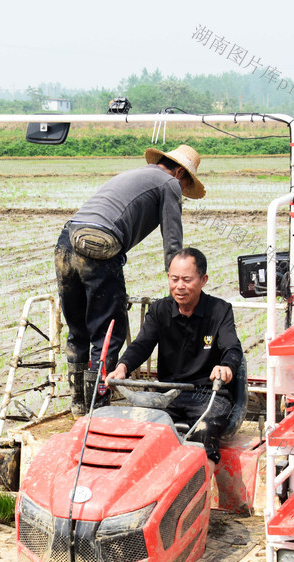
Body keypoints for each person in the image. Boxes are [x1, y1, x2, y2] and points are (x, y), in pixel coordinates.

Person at [55, 144, 206, 415]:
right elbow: (173, 240)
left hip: (66, 242)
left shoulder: (137, 174)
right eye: (185, 186)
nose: (181, 192)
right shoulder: (169, 184)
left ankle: (79, 405)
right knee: (108, 332)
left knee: (78, 331)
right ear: (180, 172)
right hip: (98, 245)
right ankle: (97, 409)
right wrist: (179, 284)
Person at [105, 248, 242, 467]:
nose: (179, 286)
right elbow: (141, 345)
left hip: (207, 395)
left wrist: (225, 367)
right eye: (174, 278)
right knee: (139, 432)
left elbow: (232, 348)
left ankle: (200, 486)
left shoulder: (220, 311)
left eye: (187, 280)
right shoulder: (160, 310)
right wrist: (122, 367)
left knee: (204, 431)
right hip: (168, 393)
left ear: (203, 280)